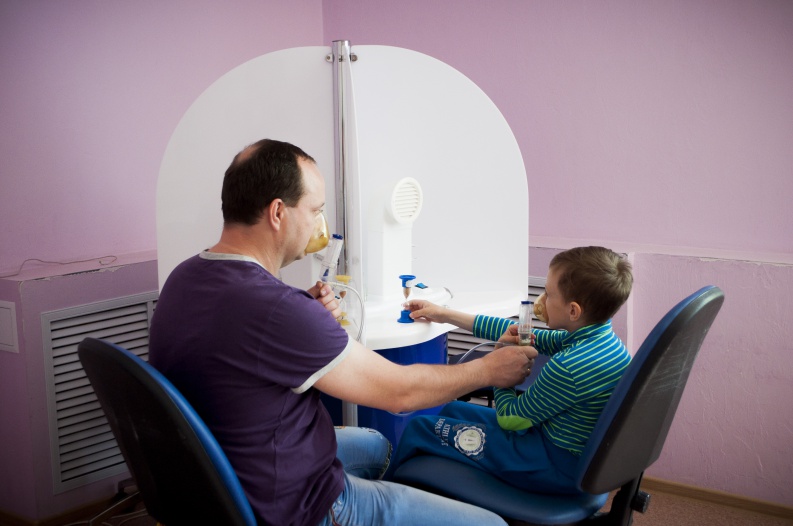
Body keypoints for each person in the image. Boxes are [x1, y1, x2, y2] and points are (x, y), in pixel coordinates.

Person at [148, 138, 534, 526]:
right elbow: (400, 393)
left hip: (222, 474)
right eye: (315, 211)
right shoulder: (278, 309)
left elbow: (241, 343)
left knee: (377, 445)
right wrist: (488, 370)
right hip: (297, 505)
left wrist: (304, 314)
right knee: (492, 524)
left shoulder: (185, 277)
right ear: (278, 212)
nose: (318, 225)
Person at [387, 246, 633, 495]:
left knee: (420, 428)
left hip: (554, 465)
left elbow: (509, 419)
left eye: (548, 294)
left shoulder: (569, 366)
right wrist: (443, 314)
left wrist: (498, 371)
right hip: (568, 453)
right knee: (451, 410)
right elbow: (513, 331)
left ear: (573, 310)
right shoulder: (600, 341)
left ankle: (386, 498)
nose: (542, 300)